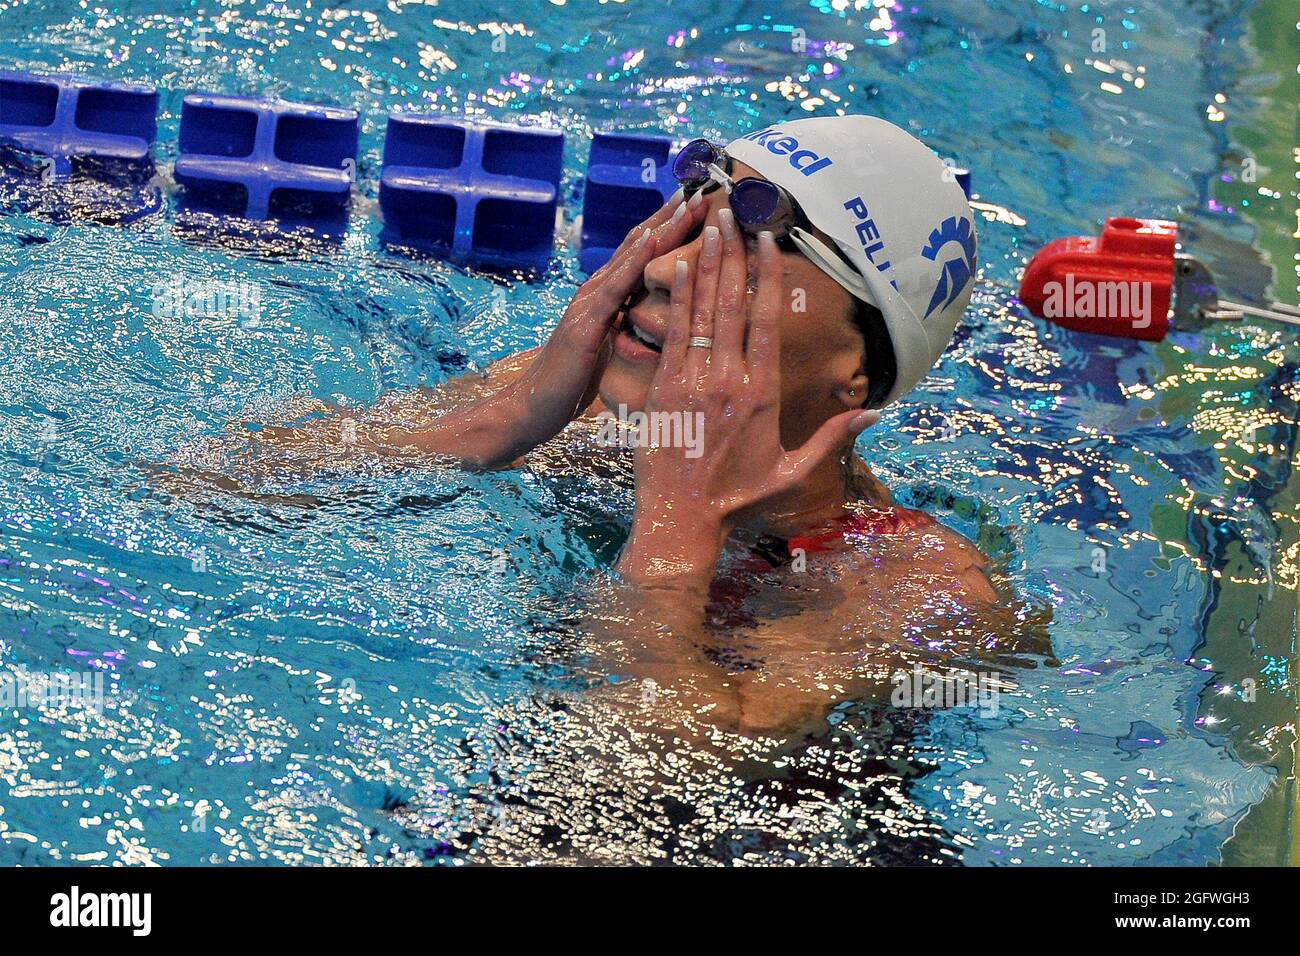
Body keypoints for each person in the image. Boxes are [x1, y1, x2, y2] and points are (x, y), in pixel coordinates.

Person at [175, 116, 1048, 739]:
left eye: (744, 259)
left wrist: (677, 523)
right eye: (690, 225)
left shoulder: (915, 591)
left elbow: (645, 766)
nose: (668, 268)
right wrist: (501, 421)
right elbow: (197, 484)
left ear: (855, 368)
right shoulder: (579, 411)